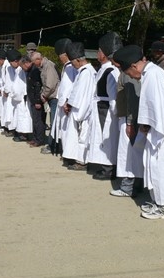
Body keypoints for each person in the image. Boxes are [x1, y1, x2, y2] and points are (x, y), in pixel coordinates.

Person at [113, 45, 164, 220]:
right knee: (159, 164)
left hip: (163, 126)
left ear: (134, 66)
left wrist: (148, 125)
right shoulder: (152, 73)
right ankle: (162, 201)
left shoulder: (153, 76)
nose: (129, 76)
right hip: (163, 124)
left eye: (127, 72)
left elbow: (157, 105)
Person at [88, 32, 122, 181]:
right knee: (100, 138)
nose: (97, 53)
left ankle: (109, 168)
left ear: (105, 54)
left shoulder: (111, 71)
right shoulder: (102, 69)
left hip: (106, 109)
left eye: (99, 51)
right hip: (100, 107)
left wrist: (114, 112)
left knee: (107, 138)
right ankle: (103, 164)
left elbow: (113, 95)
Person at [108, 61, 144, 198]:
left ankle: (128, 187)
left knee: (129, 154)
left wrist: (129, 123)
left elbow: (132, 100)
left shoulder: (128, 74)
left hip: (130, 118)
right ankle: (137, 184)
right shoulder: (125, 73)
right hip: (129, 117)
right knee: (134, 153)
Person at [61, 42, 96, 170]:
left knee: (83, 137)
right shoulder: (87, 71)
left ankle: (82, 161)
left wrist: (70, 106)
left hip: (83, 111)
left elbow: (81, 94)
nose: (72, 64)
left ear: (77, 60)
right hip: (81, 109)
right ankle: (79, 159)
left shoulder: (86, 73)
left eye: (72, 61)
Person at [44, 38, 77, 155]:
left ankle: (66, 151)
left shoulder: (70, 67)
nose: (59, 58)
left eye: (60, 55)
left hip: (66, 104)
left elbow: (69, 87)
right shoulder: (68, 67)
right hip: (63, 103)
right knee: (61, 128)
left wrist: (66, 102)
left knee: (66, 129)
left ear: (64, 55)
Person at [31, 52, 60, 149]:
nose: (33, 64)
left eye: (34, 62)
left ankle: (53, 146)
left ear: (38, 59)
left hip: (54, 97)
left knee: (54, 122)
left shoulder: (49, 66)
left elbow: (50, 84)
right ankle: (52, 145)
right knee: (52, 122)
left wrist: (44, 95)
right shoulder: (43, 67)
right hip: (50, 97)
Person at [21, 54, 46, 147]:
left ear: (26, 63)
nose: (22, 68)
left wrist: (38, 101)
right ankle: (35, 138)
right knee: (35, 120)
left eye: (22, 65)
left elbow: (37, 86)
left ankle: (39, 139)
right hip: (32, 99)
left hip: (37, 99)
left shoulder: (35, 70)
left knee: (39, 120)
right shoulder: (30, 71)